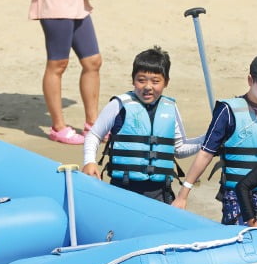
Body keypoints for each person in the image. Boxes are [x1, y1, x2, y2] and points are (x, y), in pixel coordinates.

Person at [172, 54, 257, 224]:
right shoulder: (227, 110)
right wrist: (184, 194)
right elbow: (206, 153)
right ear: (250, 80)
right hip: (237, 196)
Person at [82, 47, 203, 203]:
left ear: (166, 82)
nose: (148, 86)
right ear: (133, 80)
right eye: (141, 80)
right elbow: (94, 135)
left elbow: (179, 149)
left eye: (155, 81)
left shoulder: (170, 107)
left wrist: (208, 140)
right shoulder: (119, 105)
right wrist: (89, 161)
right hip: (123, 188)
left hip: (160, 192)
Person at [29, 0, 102, 145]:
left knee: (93, 61)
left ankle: (93, 125)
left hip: (78, 2)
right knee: (58, 64)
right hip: (55, 4)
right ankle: (58, 128)